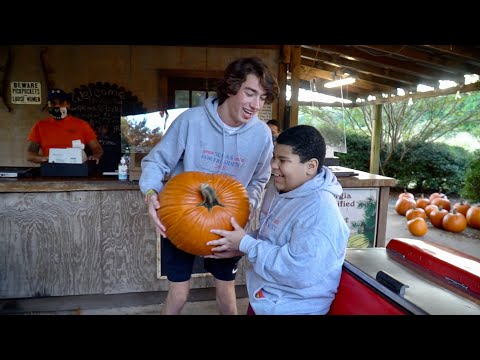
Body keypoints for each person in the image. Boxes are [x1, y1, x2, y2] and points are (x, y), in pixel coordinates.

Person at [140, 57, 279, 315]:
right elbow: (157, 162)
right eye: (250, 93)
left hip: (229, 225)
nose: (256, 105)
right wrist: (150, 193)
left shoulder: (261, 135)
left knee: (227, 295)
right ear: (231, 87)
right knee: (179, 295)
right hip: (182, 218)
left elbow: (261, 178)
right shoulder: (191, 121)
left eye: (262, 98)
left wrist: (248, 204)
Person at [206, 125, 350, 315]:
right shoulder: (279, 188)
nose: (273, 166)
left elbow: (299, 271)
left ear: (311, 166)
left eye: (283, 160)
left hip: (295, 308)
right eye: (274, 157)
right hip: (267, 297)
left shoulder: (320, 211)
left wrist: (246, 244)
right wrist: (238, 246)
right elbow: (272, 235)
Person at [27, 88, 104, 164]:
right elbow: (30, 155)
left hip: (77, 171)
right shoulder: (40, 126)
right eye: (53, 103)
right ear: (48, 106)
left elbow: (97, 148)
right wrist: (44, 158)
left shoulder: (82, 125)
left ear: (68, 105)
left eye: (61, 103)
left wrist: (95, 156)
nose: (57, 106)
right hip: (50, 170)